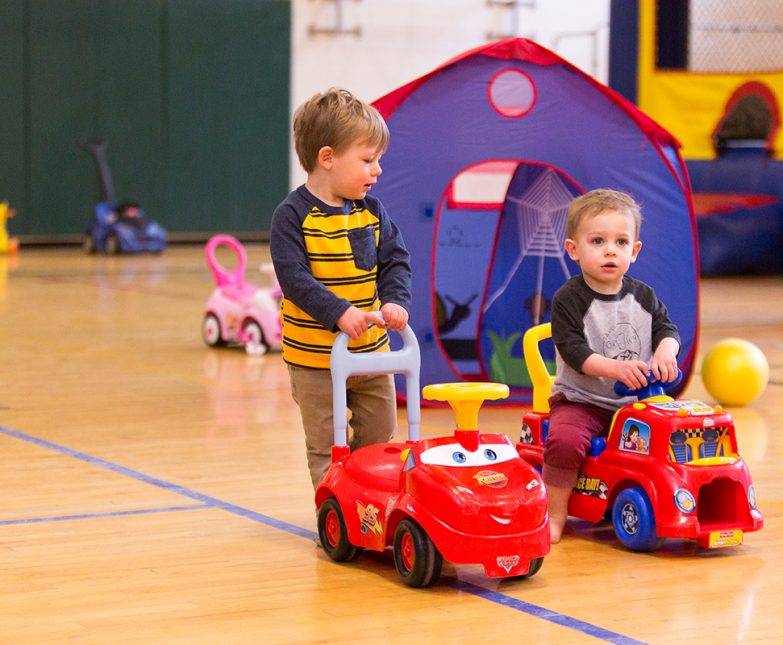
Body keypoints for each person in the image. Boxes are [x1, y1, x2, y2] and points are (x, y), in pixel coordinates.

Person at [270, 87, 412, 491]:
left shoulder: (372, 212)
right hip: (315, 360)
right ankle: (332, 512)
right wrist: (338, 312)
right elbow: (294, 279)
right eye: (368, 161)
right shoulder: (292, 216)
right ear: (327, 159)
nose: (377, 171)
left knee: (381, 429)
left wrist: (395, 300)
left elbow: (395, 261)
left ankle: (360, 494)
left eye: (378, 161)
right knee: (325, 443)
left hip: (370, 352)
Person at [544, 189, 680, 543]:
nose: (610, 250)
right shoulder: (568, 299)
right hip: (582, 402)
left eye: (621, 242)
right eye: (598, 241)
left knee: (677, 432)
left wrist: (667, 351)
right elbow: (574, 351)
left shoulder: (644, 296)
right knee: (565, 440)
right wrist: (616, 370)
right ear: (574, 250)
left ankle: (673, 503)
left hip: (636, 406)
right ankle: (555, 513)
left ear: (634, 251)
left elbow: (667, 329)